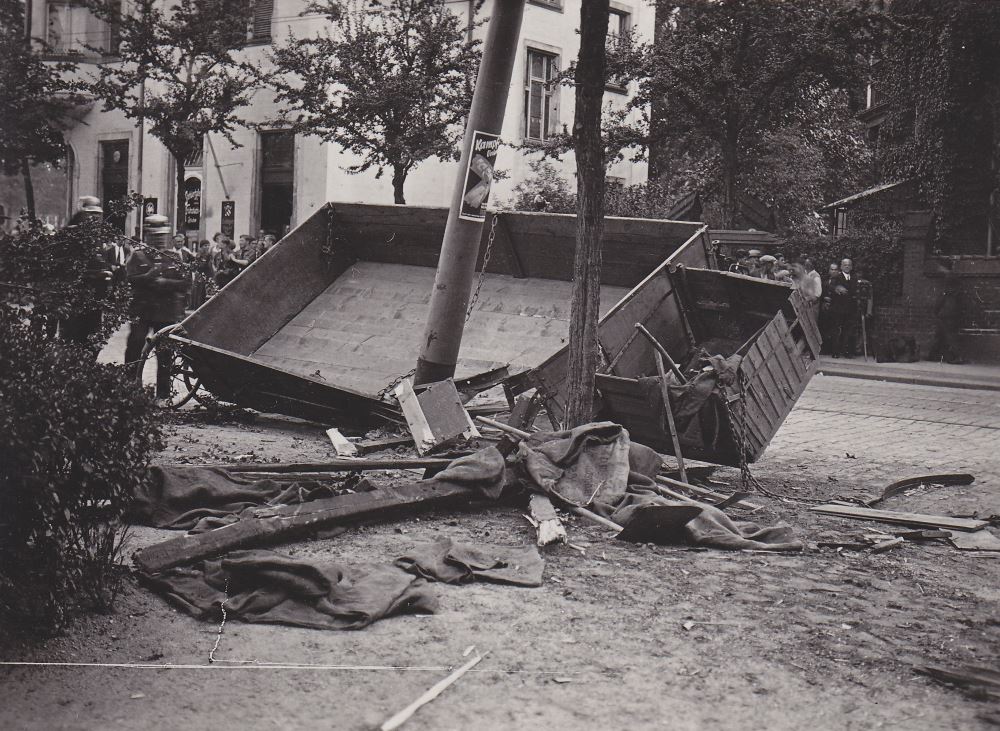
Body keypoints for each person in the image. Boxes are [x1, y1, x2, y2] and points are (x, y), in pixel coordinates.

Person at [123, 214, 191, 405]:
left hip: (166, 313)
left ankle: (162, 394)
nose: (158, 239)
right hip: (142, 310)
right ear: (147, 235)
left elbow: (186, 283)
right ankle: (130, 388)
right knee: (135, 346)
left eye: (161, 235)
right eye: (154, 236)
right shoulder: (137, 255)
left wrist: (165, 283)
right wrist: (147, 276)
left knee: (165, 353)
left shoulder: (174, 257)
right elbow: (128, 280)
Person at [59, 198, 113, 349]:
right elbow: (66, 268)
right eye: (91, 214)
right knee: (72, 337)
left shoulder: (98, 239)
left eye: (97, 215)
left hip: (95, 298)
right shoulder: (71, 236)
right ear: (83, 214)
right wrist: (93, 275)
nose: (95, 219)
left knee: (93, 339)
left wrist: (106, 274)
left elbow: (102, 261)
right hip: (75, 297)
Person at [928, 273, 967, 364]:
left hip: (944, 316)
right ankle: (933, 355)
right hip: (953, 317)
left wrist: (935, 312)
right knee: (943, 336)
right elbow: (962, 306)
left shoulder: (945, 292)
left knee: (947, 337)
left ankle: (957, 357)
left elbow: (939, 303)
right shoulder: (958, 292)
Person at [826, 257, 858, 358]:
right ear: (841, 266)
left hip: (849, 310)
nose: (847, 266)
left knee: (847, 331)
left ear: (851, 267)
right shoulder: (837, 277)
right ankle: (835, 351)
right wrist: (836, 288)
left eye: (849, 265)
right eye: (845, 265)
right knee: (836, 330)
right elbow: (829, 286)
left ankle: (845, 351)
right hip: (837, 309)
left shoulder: (854, 278)